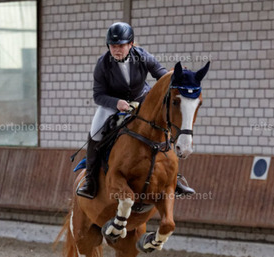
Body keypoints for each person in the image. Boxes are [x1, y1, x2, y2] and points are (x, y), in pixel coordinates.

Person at [77, 22, 195, 199]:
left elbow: (161, 75)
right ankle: (90, 180)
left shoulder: (142, 56)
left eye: (121, 46)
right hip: (112, 104)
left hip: (142, 100)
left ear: (130, 44)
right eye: (113, 46)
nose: (116, 50)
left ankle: (175, 179)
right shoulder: (103, 63)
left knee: (163, 126)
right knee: (95, 133)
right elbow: (98, 95)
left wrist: (176, 77)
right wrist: (117, 103)